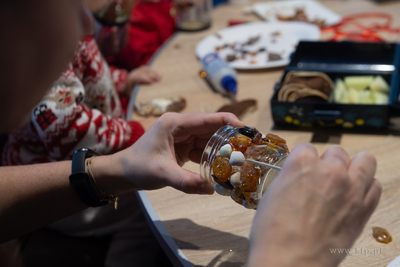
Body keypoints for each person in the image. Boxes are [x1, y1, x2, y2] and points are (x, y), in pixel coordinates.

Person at [0, 1, 382, 267]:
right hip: (67, 206)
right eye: (67, 3)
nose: (88, 26)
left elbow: (97, 72)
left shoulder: (77, 45)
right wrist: (294, 254)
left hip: (75, 173)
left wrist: (117, 167)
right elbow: (69, 126)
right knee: (146, 222)